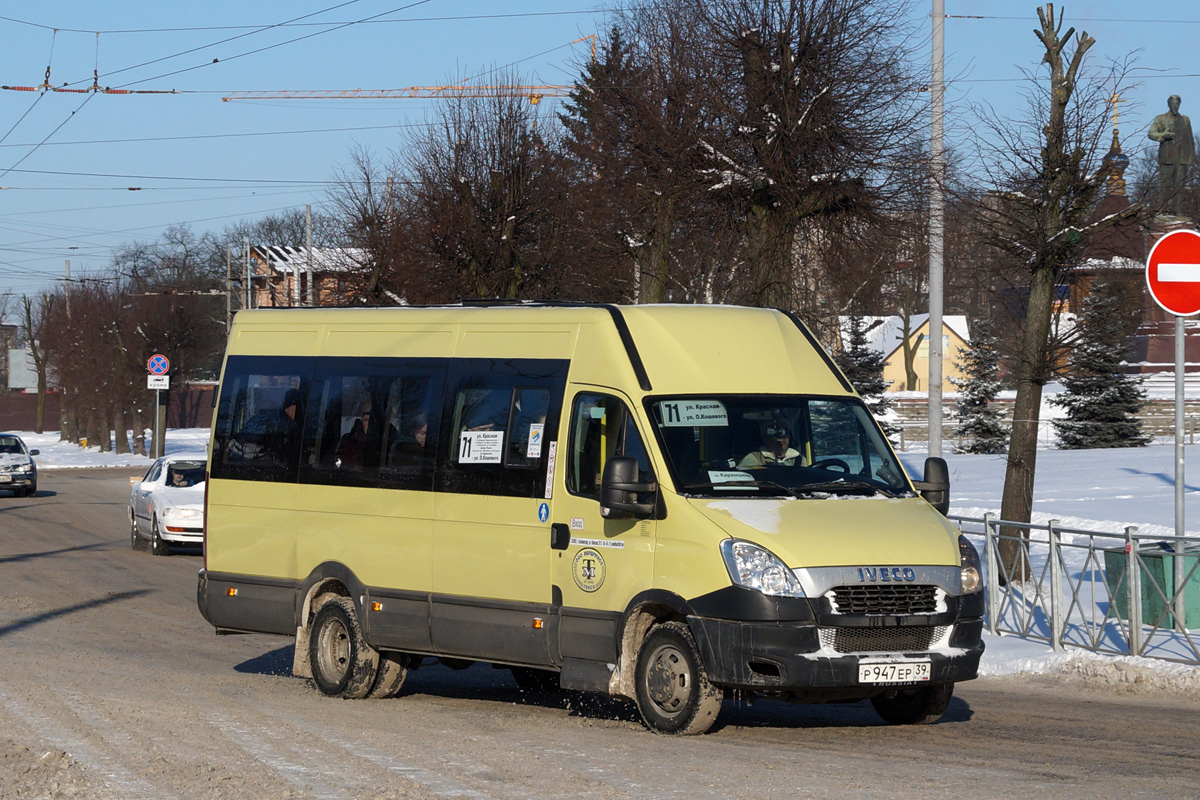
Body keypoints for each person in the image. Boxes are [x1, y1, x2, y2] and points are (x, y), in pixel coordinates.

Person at [1147, 95, 1195, 216]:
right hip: (1167, 158)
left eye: (1177, 104)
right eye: (1173, 104)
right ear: (1169, 104)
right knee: (1163, 185)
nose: (1175, 106)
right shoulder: (1161, 119)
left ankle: (1178, 211)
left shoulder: (1185, 120)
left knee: (1180, 186)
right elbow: (1151, 133)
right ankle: (1160, 211)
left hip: (1182, 158)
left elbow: (1190, 139)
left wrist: (1190, 158)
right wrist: (1162, 135)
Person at [738, 418, 803, 468]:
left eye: (785, 430)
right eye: (775, 431)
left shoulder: (799, 460)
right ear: (764, 436)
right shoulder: (753, 459)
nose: (781, 435)